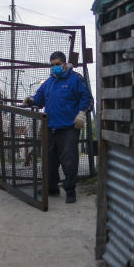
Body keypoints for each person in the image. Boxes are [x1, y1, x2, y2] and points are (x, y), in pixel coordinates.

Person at [22, 51, 92, 203]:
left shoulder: (76, 79)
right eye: (52, 65)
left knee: (69, 160)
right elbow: (39, 100)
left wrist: (82, 113)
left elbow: (87, 99)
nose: (55, 68)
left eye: (57, 65)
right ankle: (51, 188)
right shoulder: (49, 82)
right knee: (49, 160)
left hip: (69, 127)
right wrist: (30, 100)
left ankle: (70, 191)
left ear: (65, 64)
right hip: (51, 126)